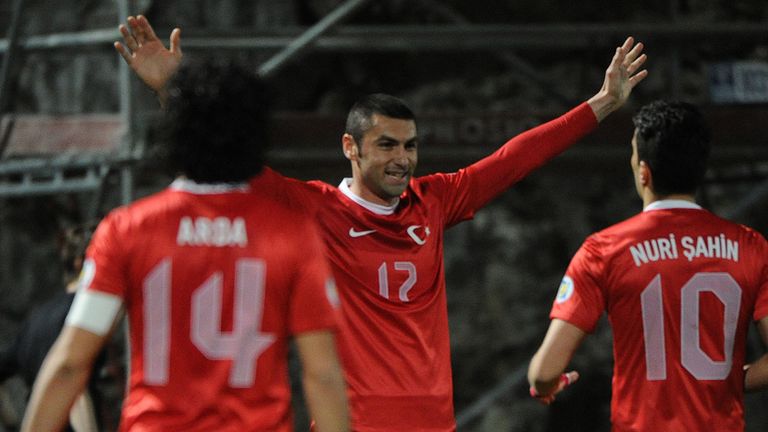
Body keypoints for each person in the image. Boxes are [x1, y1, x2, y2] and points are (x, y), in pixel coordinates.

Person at [114, 15, 648, 431]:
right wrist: (173, 92)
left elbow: (513, 159)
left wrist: (600, 105)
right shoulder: (316, 208)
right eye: (387, 145)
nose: (403, 159)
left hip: (433, 423)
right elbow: (226, 161)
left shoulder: (435, 201)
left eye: (410, 146)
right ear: (350, 147)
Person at [20, 58, 349, 432]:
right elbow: (322, 373)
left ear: (174, 129)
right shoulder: (292, 236)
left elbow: (69, 364)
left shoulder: (128, 228)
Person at [527, 100, 768, 431]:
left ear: (644, 171)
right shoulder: (750, 246)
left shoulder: (604, 250)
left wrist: (545, 385)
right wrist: (730, 380)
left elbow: (544, 372)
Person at [0, 224, 101, 432]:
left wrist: (11, 423)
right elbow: (73, 384)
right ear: (80, 263)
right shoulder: (84, 316)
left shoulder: (37, 318)